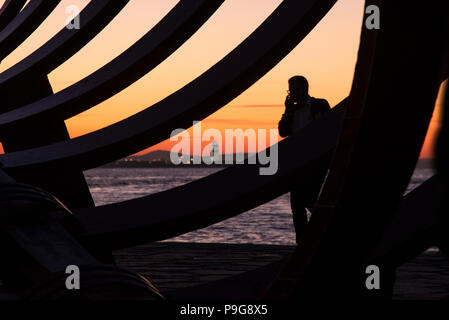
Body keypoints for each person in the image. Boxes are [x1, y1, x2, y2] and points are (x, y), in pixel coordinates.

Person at [278, 76, 331, 244]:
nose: (293, 93)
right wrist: (287, 111)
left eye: (295, 89)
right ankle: (303, 242)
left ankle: (326, 233)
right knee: (297, 205)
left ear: (305, 89)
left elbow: (329, 127)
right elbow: (283, 132)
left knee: (311, 199)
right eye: (290, 90)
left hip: (317, 161)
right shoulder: (291, 111)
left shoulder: (319, 104)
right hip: (297, 163)